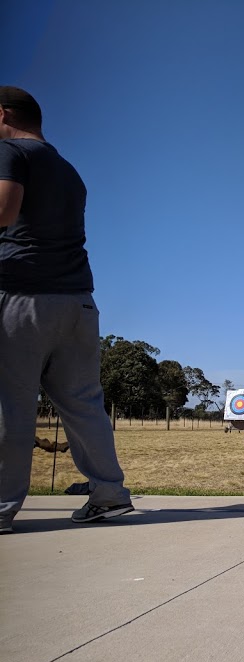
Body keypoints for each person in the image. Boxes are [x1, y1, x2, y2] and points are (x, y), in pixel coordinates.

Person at [0, 86, 134, 533]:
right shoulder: (68, 170)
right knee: (82, 403)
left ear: (2, 114)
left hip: (21, 295)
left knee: (10, 404)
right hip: (77, 301)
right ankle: (109, 493)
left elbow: (4, 210)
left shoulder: (10, 153)